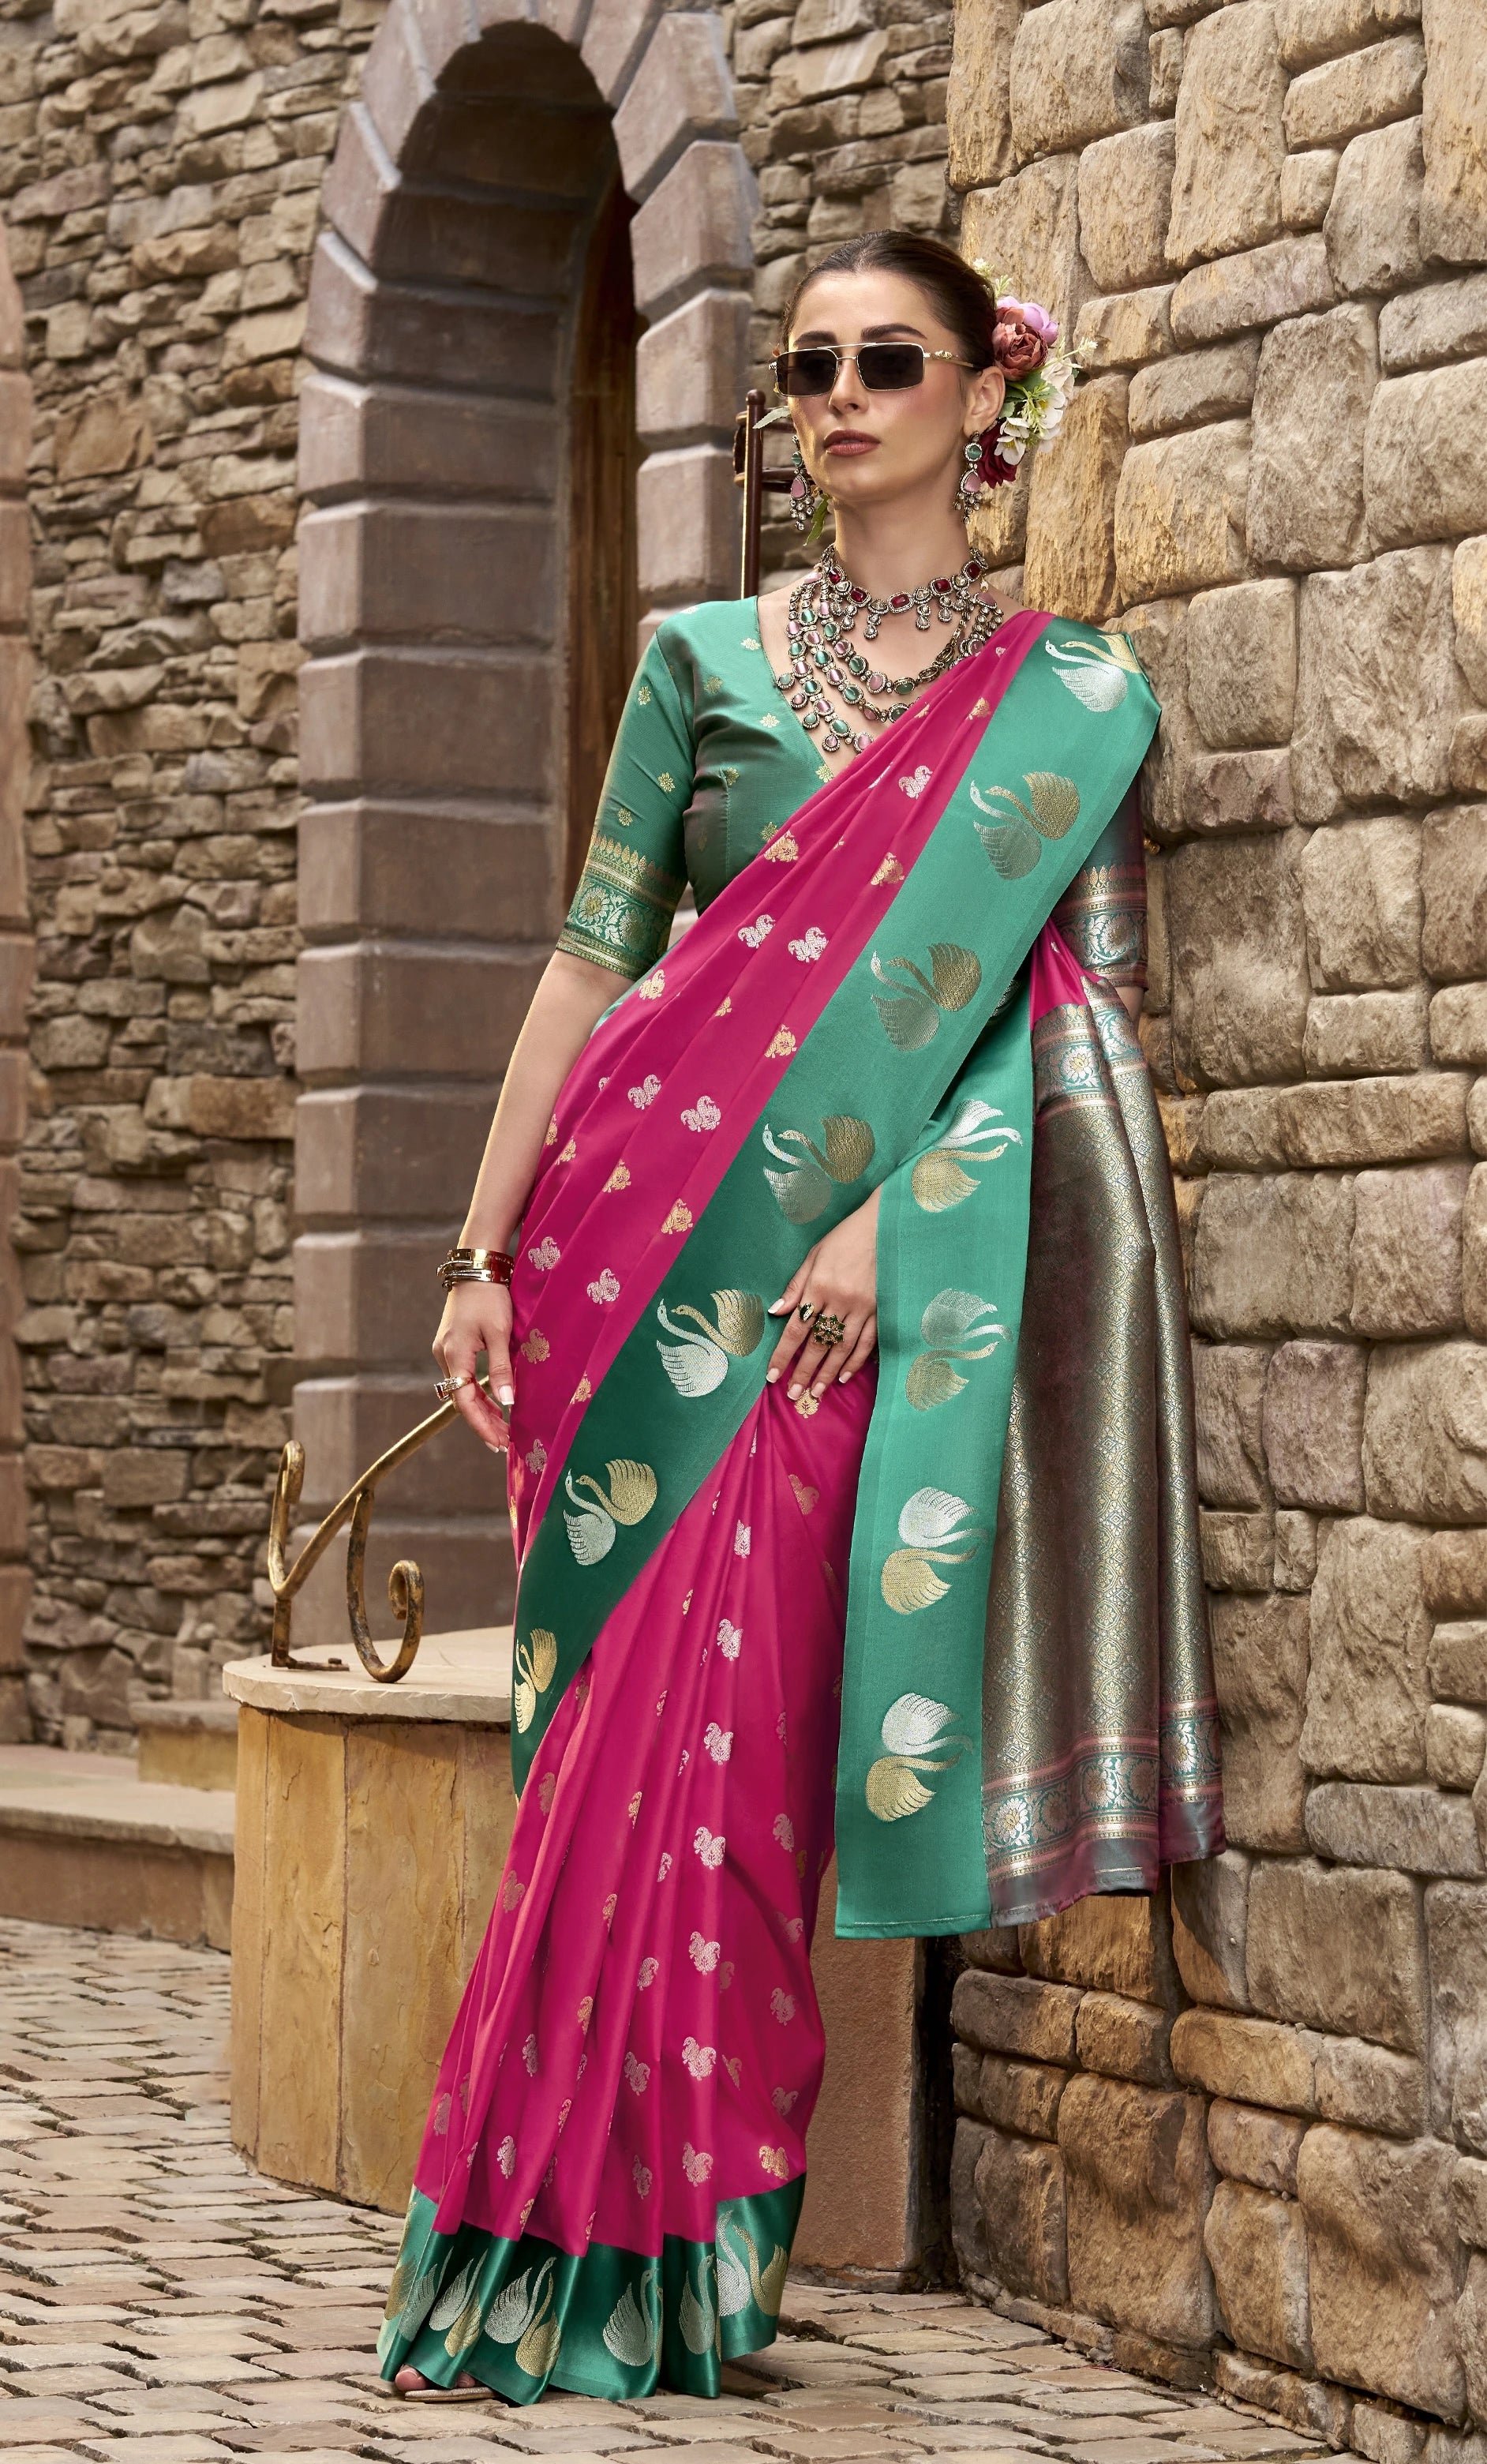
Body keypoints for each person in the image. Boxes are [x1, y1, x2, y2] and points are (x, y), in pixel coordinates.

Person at [376, 229, 1223, 2408]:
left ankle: (693, 2238)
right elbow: (588, 965)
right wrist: (477, 1255)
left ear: (979, 402)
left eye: (888, 361)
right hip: (627, 1265)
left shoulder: (1067, 703)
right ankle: (545, 2245)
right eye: (812, 367)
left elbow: (1072, 1031)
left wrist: (884, 1214)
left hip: (854, 1303)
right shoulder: (698, 665)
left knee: (741, 1773)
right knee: (591, 1772)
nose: (840, 396)